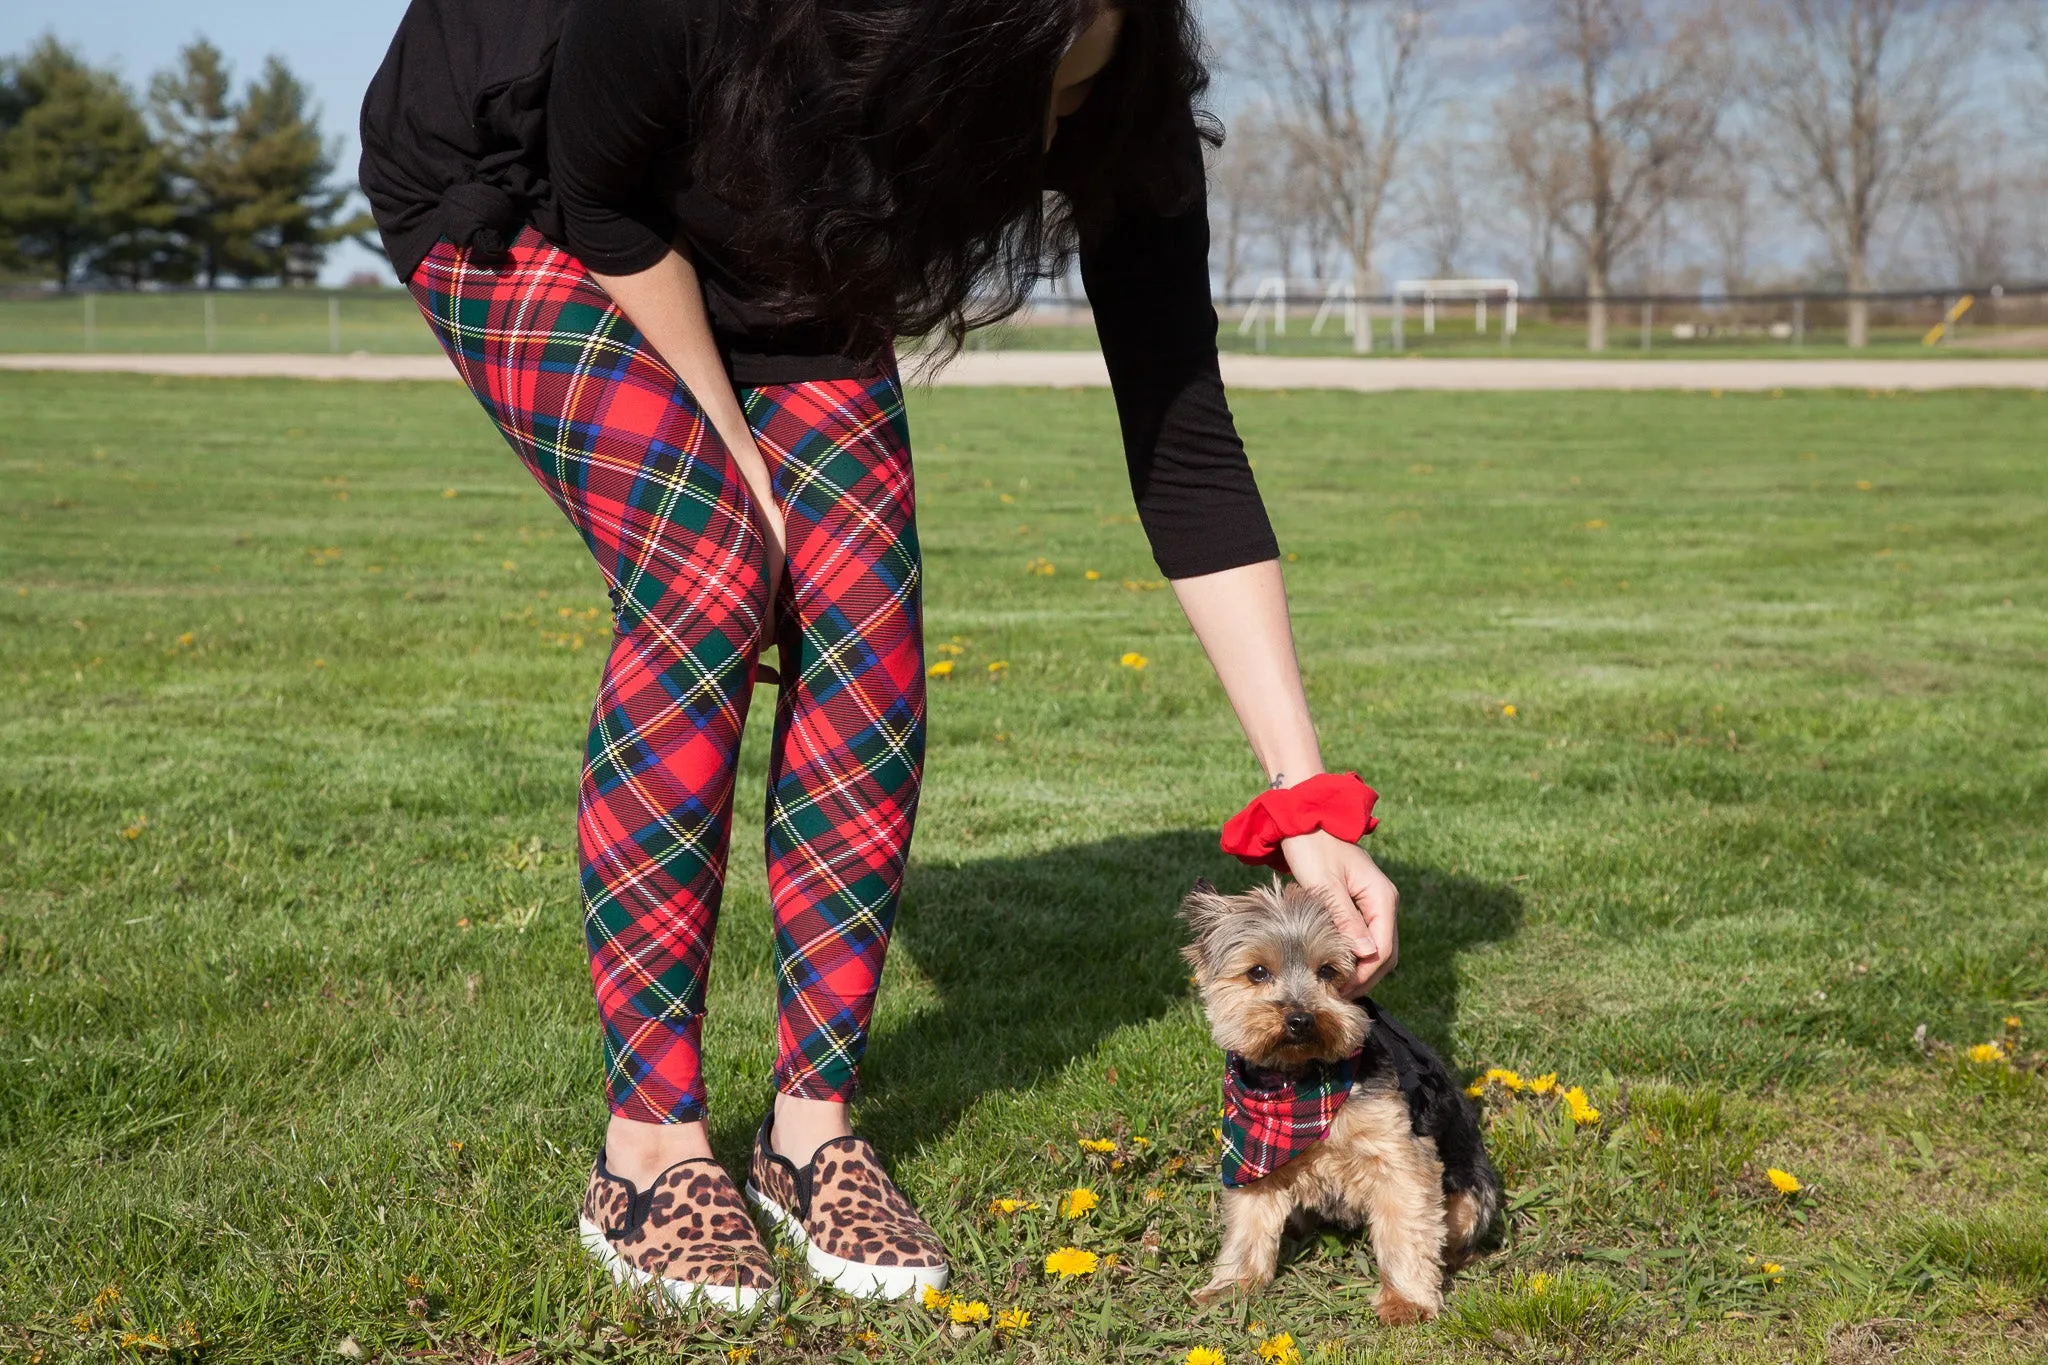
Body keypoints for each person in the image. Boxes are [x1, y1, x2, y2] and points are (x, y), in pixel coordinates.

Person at [359, 0, 1399, 1311]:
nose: (1037, 140)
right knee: (712, 567)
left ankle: (811, 1134)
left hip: (791, 217)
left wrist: (1309, 810)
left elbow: (1184, 438)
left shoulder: (1111, 84)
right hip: (537, 186)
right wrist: (741, 469)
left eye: (1067, 102)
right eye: (1017, 94)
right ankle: (647, 1147)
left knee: (869, 628)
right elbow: (606, 196)